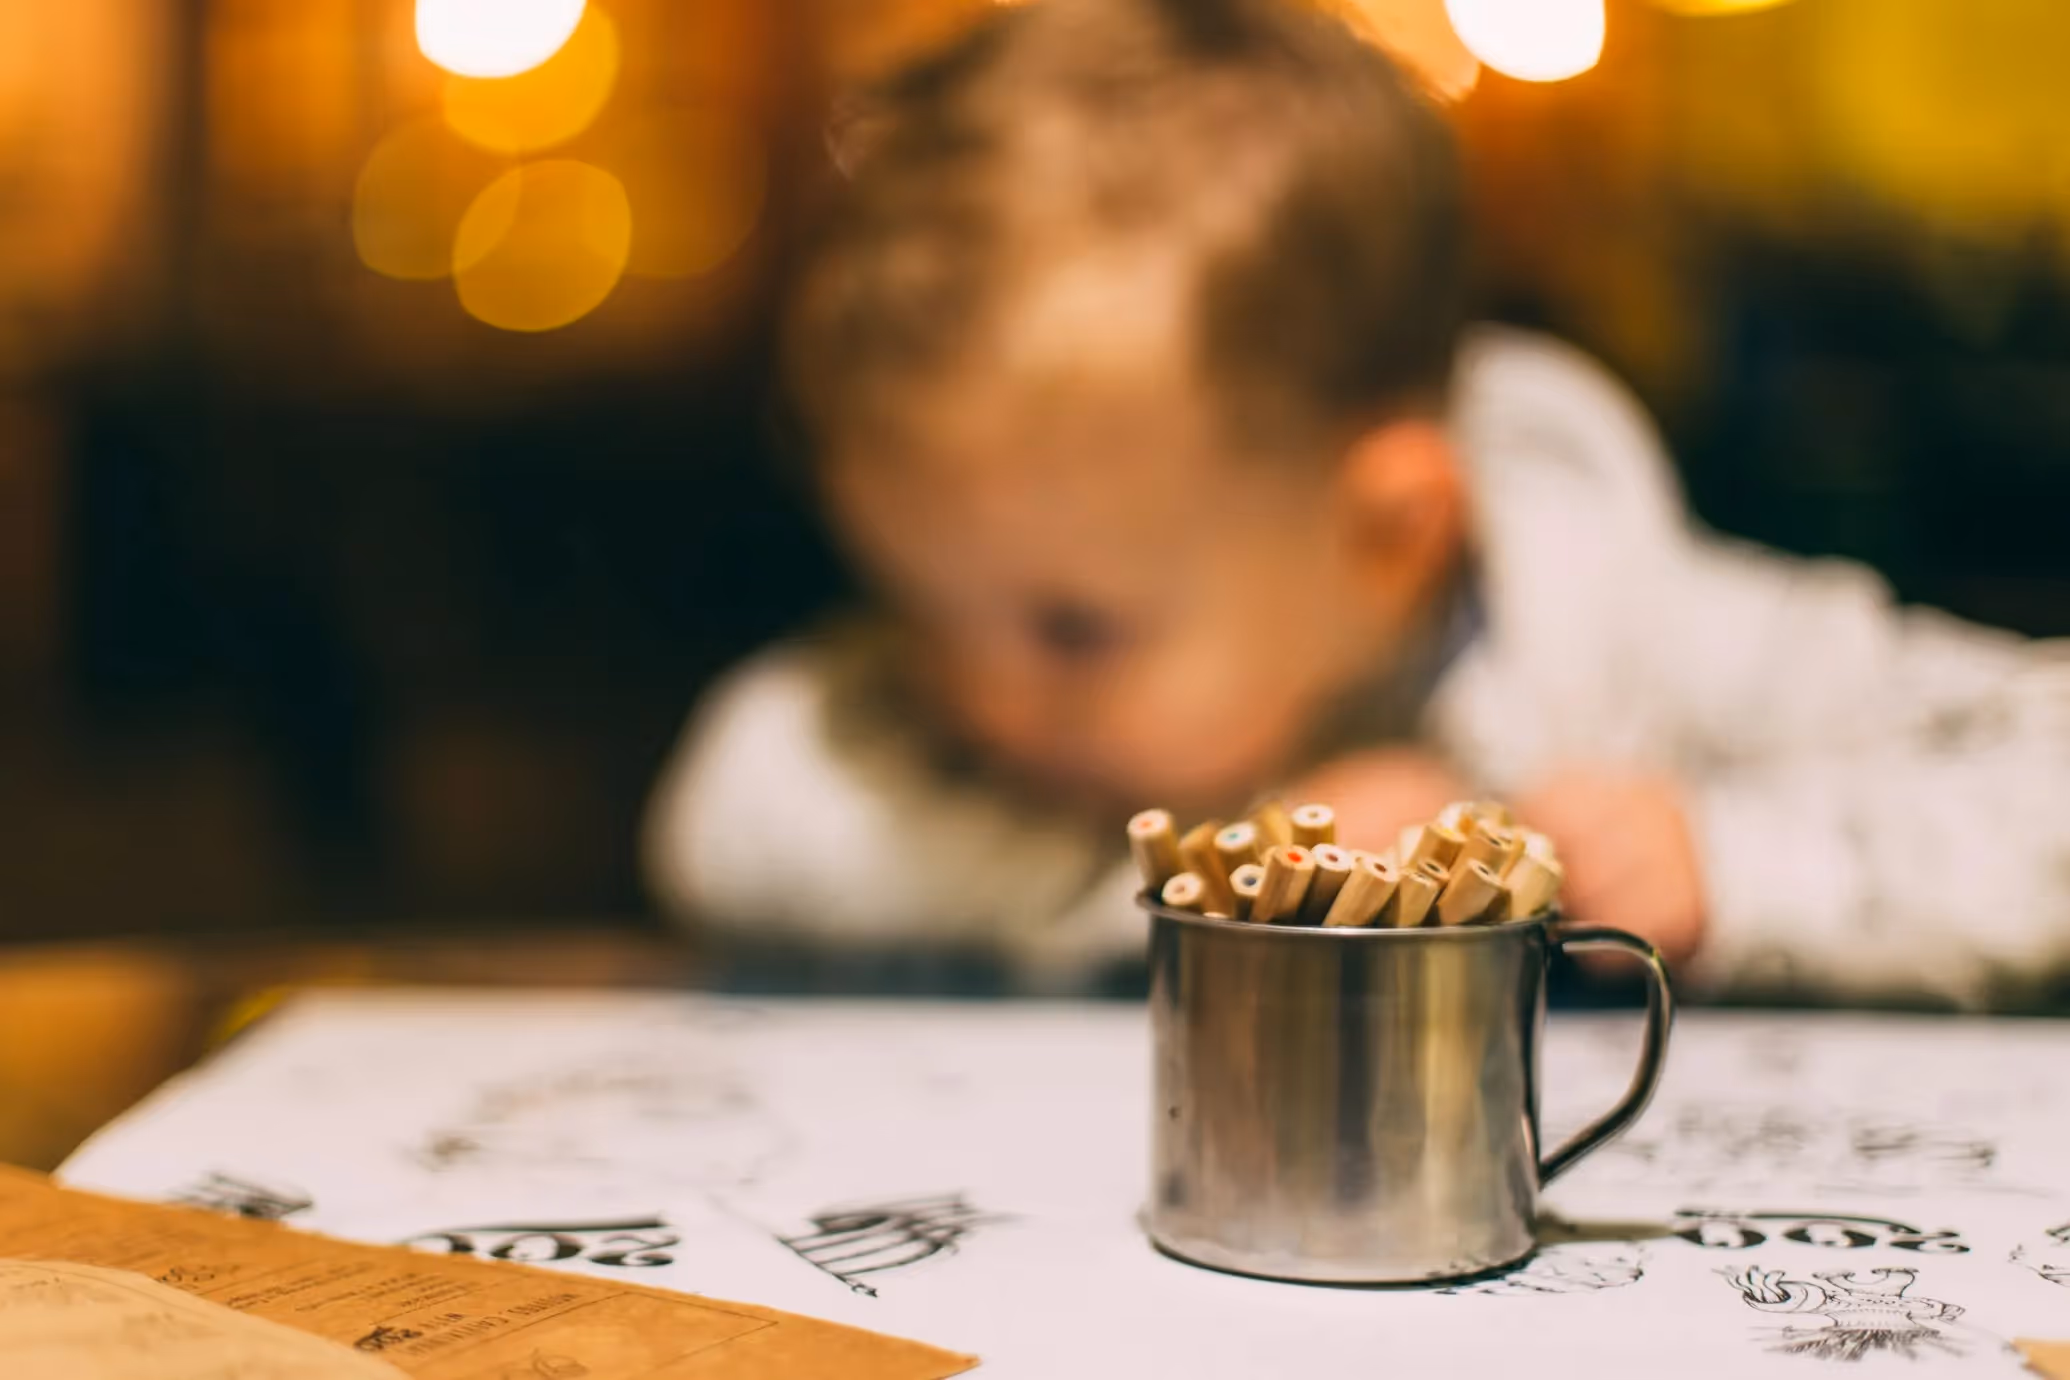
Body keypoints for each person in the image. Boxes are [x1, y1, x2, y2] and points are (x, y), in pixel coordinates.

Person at [644, 0, 2070, 1005]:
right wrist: (1214, 886)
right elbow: (734, 808)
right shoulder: (991, 685)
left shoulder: (1614, 630)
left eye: (1071, 630)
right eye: (914, 607)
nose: (975, 700)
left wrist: (1738, 867)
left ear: (1392, 535)